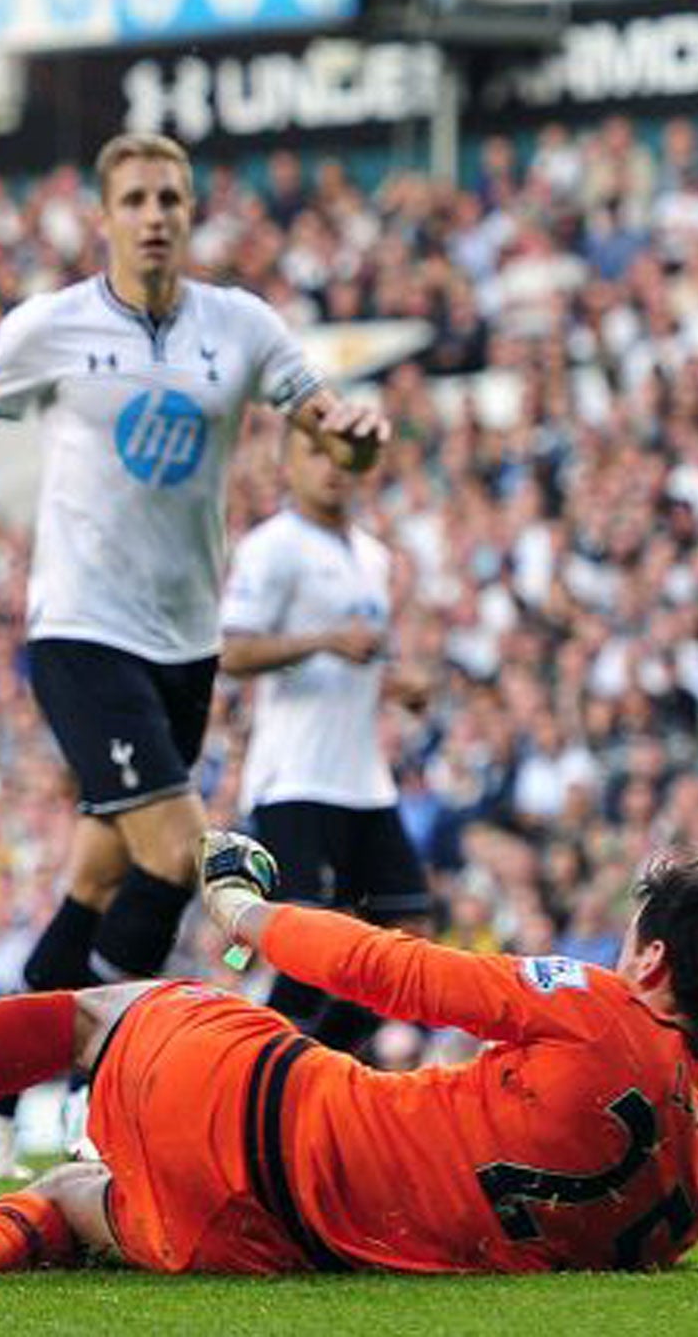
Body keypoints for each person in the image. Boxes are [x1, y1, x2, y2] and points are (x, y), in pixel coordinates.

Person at [0, 132, 390, 1175]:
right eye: (136, 198)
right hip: (78, 630)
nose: (154, 214)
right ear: (103, 215)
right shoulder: (54, 327)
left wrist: (358, 434)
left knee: (92, 884)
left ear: (190, 212)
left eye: (171, 197)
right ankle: (91, 1092)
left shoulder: (237, 328)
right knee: (175, 853)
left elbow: (325, 425)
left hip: (185, 644)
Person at [0, 837, 698, 1278]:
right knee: (77, 1201)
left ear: (650, 964)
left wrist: (246, 914)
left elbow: (402, 974)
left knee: (100, 1014)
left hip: (269, 1118)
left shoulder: (599, 1009)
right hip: (259, 1247)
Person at [219, 426, 432, 1053]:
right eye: (315, 451)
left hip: (364, 778)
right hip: (296, 777)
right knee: (314, 947)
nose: (333, 466)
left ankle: (319, 1066)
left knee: (407, 935)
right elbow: (231, 650)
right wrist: (321, 640)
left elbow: (356, 665)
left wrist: (399, 686)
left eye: (344, 454)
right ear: (287, 462)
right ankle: (250, 1066)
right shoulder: (272, 548)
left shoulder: (372, 556)